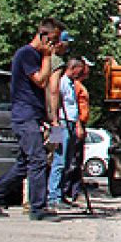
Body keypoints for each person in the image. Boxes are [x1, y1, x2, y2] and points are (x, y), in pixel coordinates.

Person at [0, 18, 63, 220]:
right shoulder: (26, 54)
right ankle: (37, 209)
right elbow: (41, 81)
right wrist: (47, 57)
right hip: (24, 116)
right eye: (54, 40)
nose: (56, 45)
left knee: (24, 164)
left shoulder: (34, 54)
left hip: (32, 115)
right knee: (38, 160)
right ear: (44, 37)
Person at [47, 57, 88, 211]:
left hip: (70, 123)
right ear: (74, 68)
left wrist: (78, 125)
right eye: (80, 69)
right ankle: (53, 196)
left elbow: (74, 107)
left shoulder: (72, 84)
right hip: (61, 124)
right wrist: (55, 127)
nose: (82, 73)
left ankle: (61, 194)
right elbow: (55, 102)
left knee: (67, 161)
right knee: (58, 159)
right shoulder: (62, 83)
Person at [61, 59, 93, 205]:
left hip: (77, 123)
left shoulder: (77, 85)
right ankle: (67, 191)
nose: (87, 71)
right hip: (72, 123)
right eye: (85, 68)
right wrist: (79, 125)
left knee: (74, 159)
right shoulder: (73, 85)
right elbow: (74, 107)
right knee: (69, 159)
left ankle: (71, 191)